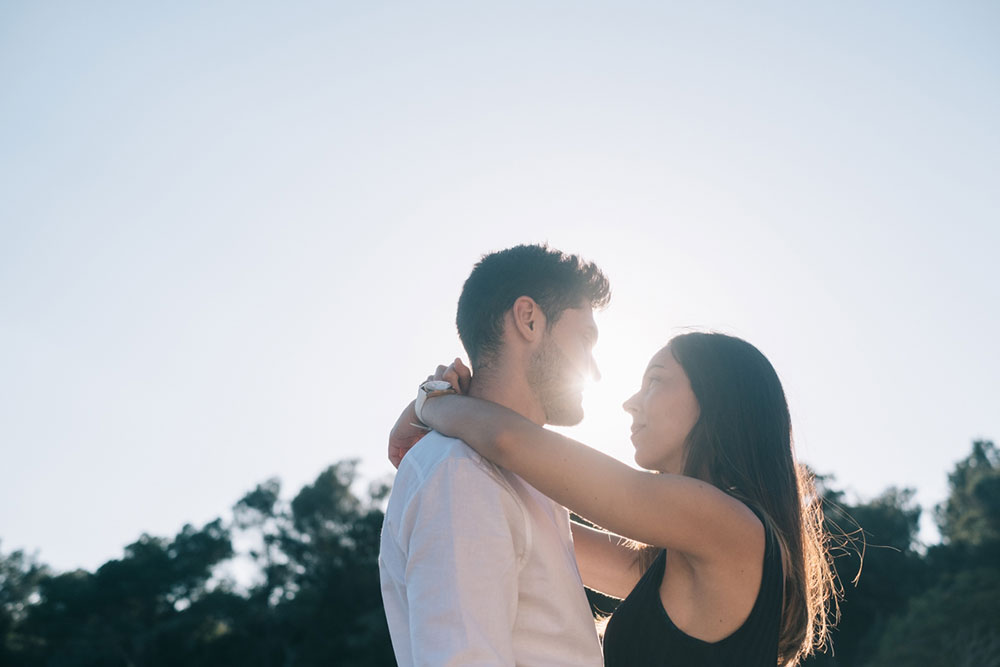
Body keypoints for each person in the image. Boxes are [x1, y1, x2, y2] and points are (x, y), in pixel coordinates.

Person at [396, 332, 838, 666]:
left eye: (655, 382)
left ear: (718, 403)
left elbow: (509, 441)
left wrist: (433, 404)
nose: (630, 402)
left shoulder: (726, 524)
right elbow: (532, 520)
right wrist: (432, 431)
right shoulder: (689, 556)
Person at [378, 244, 611, 666]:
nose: (593, 370)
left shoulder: (525, 479)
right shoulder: (461, 473)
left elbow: (638, 565)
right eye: (586, 340)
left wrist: (427, 402)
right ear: (529, 319)